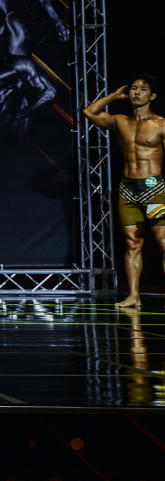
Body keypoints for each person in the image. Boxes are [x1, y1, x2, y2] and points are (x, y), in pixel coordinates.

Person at [83, 78, 165, 309]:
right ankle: (133, 296)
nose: (137, 92)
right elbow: (89, 112)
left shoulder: (160, 124)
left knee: (163, 242)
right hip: (128, 190)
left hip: (154, 189)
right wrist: (114, 96)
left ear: (152, 96)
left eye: (143, 89)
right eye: (134, 89)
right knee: (132, 244)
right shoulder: (120, 121)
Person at [0, 6, 56, 138]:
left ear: (1, 29)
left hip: (7, 140)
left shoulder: (18, 63)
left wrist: (19, 116)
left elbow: (50, 93)